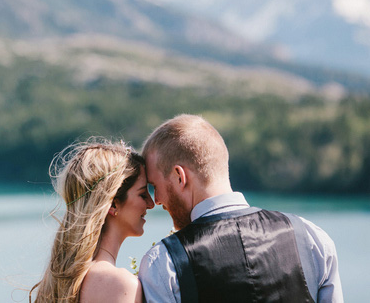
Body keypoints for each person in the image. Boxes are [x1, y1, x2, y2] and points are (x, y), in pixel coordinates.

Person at [138, 114, 343, 303]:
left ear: (179, 177)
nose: (156, 201)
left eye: (154, 187)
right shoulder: (311, 239)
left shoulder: (164, 264)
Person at [30, 139, 155, 303]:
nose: (151, 204)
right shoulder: (119, 285)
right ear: (113, 204)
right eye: (142, 194)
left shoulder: (58, 283)